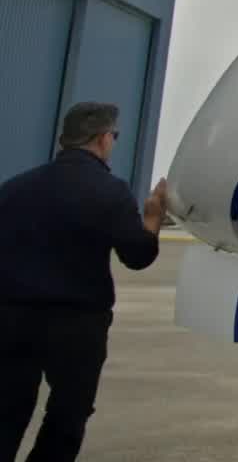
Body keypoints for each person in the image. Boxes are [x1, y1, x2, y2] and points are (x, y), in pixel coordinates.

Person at [0, 103, 168, 462]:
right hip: (76, 326)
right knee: (68, 413)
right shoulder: (110, 191)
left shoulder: (14, 188)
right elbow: (137, 256)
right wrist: (152, 219)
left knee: (6, 410)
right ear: (103, 138)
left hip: (11, 317)